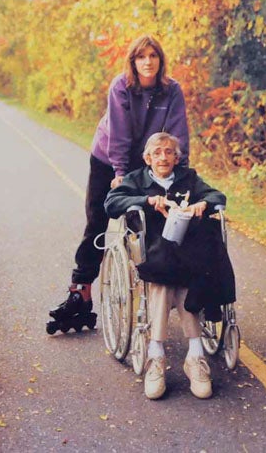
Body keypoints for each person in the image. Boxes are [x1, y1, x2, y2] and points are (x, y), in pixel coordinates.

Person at [47, 35, 190, 331]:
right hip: (107, 158)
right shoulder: (121, 86)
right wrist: (120, 173)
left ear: (160, 60)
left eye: (153, 56)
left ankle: (150, 284)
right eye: (141, 57)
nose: (148, 61)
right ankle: (80, 291)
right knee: (98, 220)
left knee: (148, 218)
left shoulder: (171, 90)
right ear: (133, 61)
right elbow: (120, 133)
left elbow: (178, 134)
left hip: (147, 160)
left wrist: (182, 172)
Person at [103, 132, 236, 400]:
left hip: (186, 250)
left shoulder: (189, 179)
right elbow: (112, 203)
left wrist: (202, 203)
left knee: (180, 276)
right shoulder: (135, 180)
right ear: (147, 157)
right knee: (167, 279)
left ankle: (189, 357)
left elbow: (218, 196)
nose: (163, 157)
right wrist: (147, 201)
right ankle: (163, 356)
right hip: (152, 249)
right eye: (158, 152)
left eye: (169, 152)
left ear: (177, 158)